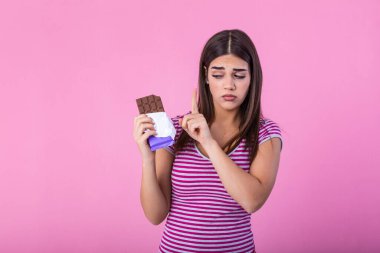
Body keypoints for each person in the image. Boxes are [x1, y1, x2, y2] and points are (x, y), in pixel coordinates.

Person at [133, 29, 283, 253]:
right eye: (218, 74)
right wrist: (147, 158)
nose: (229, 85)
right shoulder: (176, 129)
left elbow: (252, 201)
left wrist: (209, 143)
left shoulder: (266, 134)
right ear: (205, 76)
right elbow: (155, 215)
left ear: (252, 78)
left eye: (239, 75)